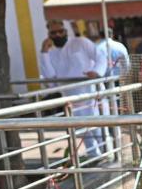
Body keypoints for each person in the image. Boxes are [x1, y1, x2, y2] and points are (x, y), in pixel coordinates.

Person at [40, 19, 107, 158]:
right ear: (49, 34)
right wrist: (44, 52)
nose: (58, 35)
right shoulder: (50, 53)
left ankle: (107, 153)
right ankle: (94, 156)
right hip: (70, 95)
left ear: (65, 31)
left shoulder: (81, 42)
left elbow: (100, 57)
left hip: (90, 91)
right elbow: (50, 78)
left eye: (60, 31)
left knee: (98, 125)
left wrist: (96, 71)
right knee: (82, 129)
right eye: (54, 33)